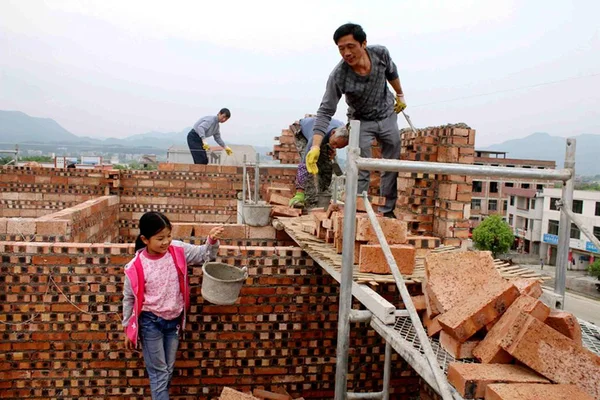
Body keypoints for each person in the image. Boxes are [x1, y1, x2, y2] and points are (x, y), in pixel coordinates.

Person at [307, 23, 407, 218]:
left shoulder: (380, 54)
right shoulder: (339, 76)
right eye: (341, 49)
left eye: (350, 46)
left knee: (392, 163)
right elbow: (325, 111)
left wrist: (400, 94)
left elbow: (392, 73)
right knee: (360, 165)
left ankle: (387, 212)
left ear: (363, 43)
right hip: (361, 121)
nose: (346, 53)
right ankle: (357, 214)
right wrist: (315, 146)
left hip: (387, 114)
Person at [122, 211, 224, 400]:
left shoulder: (177, 250)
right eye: (160, 238)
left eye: (169, 236)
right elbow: (129, 298)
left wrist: (211, 240)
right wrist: (128, 327)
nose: (166, 242)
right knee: (160, 373)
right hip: (150, 323)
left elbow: (204, 255)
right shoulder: (136, 266)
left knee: (167, 371)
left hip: (173, 322)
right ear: (145, 239)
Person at [288, 117, 349, 208]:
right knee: (311, 165)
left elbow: (335, 143)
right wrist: (299, 191)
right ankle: (306, 200)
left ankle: (323, 196)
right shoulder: (315, 137)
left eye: (338, 147)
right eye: (335, 143)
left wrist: (332, 149)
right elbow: (304, 165)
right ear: (333, 133)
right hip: (302, 132)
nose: (335, 146)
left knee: (326, 165)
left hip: (325, 132)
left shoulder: (342, 130)